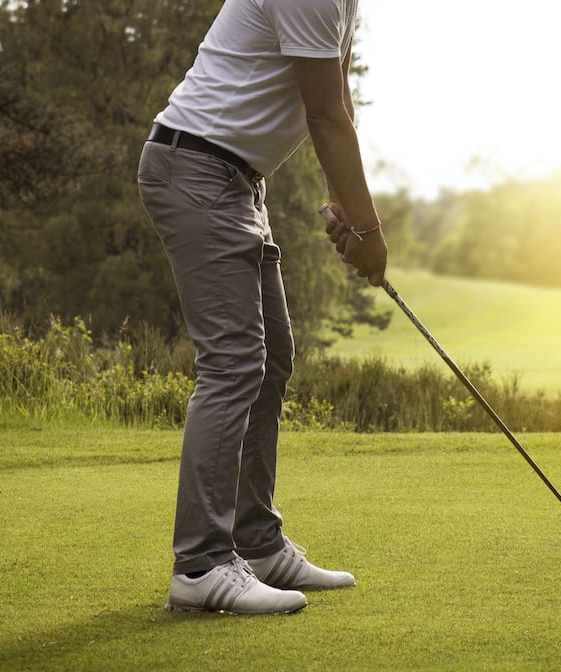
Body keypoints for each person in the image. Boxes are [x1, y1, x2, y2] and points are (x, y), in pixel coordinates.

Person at [137, 0, 387, 615]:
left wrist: (341, 202)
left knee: (271, 359)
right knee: (232, 364)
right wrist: (369, 228)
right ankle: (200, 566)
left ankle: (257, 543)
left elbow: (335, 102)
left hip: (233, 178)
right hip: (196, 170)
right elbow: (324, 117)